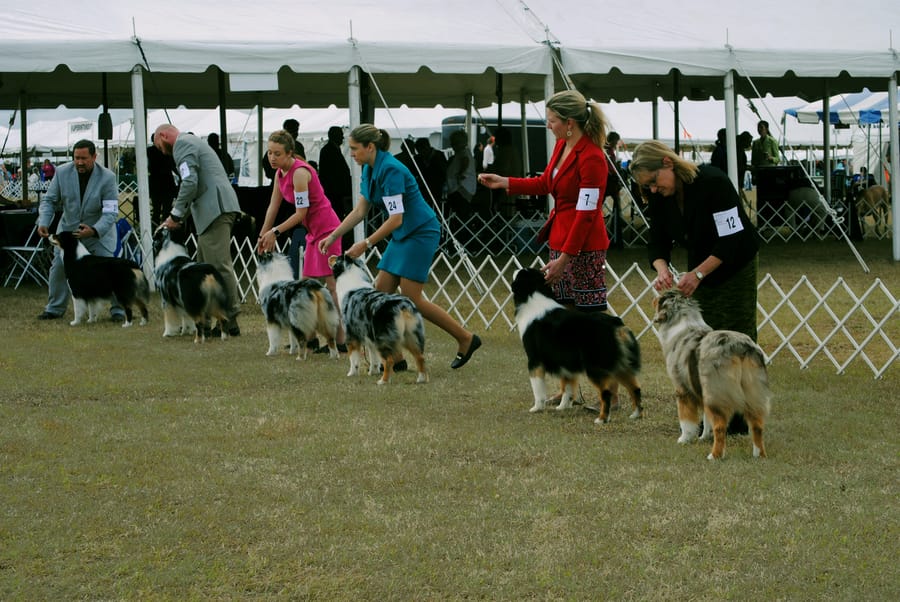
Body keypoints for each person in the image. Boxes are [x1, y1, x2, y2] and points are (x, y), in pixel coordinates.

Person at [317, 124, 481, 370]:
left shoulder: (391, 169)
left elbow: (396, 218)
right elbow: (360, 210)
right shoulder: (368, 169)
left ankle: (466, 339)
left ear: (369, 147)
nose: (350, 153)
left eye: (353, 148)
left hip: (420, 231)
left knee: (411, 297)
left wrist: (366, 243)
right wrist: (333, 236)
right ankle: (396, 359)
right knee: (379, 293)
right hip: (403, 234)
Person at [630, 139, 759, 434]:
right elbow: (657, 239)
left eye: (653, 182)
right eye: (646, 186)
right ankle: (714, 412)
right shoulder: (663, 196)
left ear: (667, 163)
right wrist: (662, 268)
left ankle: (740, 418)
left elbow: (731, 239)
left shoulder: (714, 182)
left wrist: (698, 275)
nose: (652, 189)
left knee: (734, 336)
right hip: (701, 267)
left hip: (734, 264)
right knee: (705, 343)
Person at [479, 89, 611, 313]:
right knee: (563, 314)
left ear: (569, 122)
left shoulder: (592, 158)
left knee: (589, 319)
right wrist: (505, 182)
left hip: (583, 247)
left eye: (551, 121)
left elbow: (586, 214)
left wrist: (565, 259)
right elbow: (544, 183)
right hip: (559, 240)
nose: (548, 126)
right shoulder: (561, 146)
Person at [257, 129, 346, 348]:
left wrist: (275, 232)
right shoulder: (280, 175)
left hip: (328, 229)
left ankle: (342, 339)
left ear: (289, 153)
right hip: (313, 233)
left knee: (332, 286)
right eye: (269, 153)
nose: (272, 158)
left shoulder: (299, 173)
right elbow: (273, 206)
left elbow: (300, 213)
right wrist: (263, 234)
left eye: (277, 153)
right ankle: (310, 337)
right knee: (305, 286)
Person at [154, 123, 243, 335]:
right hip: (210, 211)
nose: (160, 151)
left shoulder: (182, 144)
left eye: (158, 145)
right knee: (204, 269)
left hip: (215, 210)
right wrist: (177, 218)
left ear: (163, 135)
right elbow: (194, 185)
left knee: (218, 266)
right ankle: (210, 321)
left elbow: (189, 182)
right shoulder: (191, 143)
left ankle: (229, 321)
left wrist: (176, 214)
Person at [36, 139, 125, 321]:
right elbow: (49, 201)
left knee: (111, 270)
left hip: (99, 234)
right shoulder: (61, 173)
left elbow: (110, 212)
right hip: (68, 234)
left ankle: (118, 310)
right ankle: (54, 308)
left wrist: (94, 229)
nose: (80, 162)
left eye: (84, 158)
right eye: (76, 158)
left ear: (94, 156)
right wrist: (44, 221)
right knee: (59, 268)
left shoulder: (107, 177)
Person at [444, 129, 476, 231]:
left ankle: (461, 235)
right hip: (459, 189)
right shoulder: (463, 152)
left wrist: (460, 173)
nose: (452, 145)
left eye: (454, 143)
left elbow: (465, 161)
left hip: (461, 189)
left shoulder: (463, 152)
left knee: (460, 215)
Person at [147, 134, 178, 228]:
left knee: (156, 211)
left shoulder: (149, 151)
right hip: (166, 184)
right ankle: (165, 230)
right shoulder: (167, 150)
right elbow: (173, 165)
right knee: (166, 210)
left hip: (155, 183)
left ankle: (154, 230)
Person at [413, 137, 447, 203]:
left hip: (437, 186)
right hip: (422, 187)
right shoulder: (417, 158)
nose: (421, 153)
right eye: (419, 151)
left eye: (422, 150)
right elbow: (414, 172)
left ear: (427, 147)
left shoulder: (439, 155)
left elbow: (443, 171)